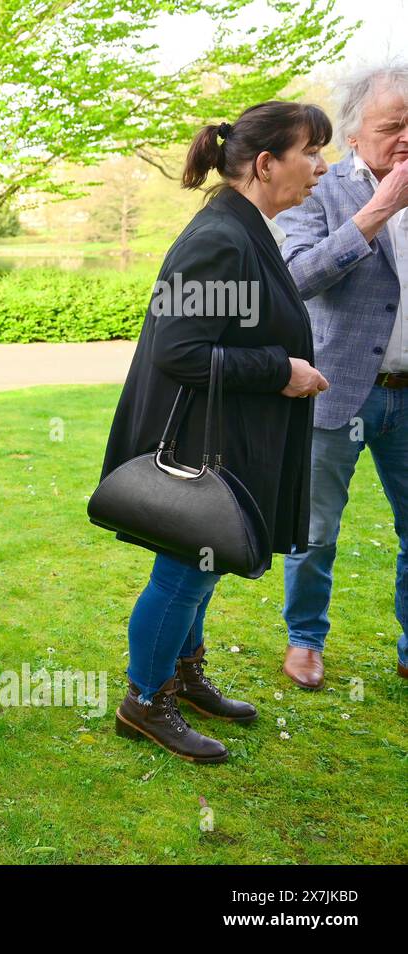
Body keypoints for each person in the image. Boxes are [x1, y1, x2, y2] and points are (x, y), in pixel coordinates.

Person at [99, 102, 332, 762]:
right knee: (182, 574)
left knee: (205, 563)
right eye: (310, 152)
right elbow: (180, 351)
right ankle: (145, 701)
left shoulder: (244, 228)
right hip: (202, 444)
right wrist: (280, 370)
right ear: (265, 164)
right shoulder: (219, 239)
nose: (320, 167)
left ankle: (184, 674)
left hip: (224, 438)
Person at [278, 64, 408, 688]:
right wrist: (378, 211)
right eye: (394, 125)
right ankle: (305, 639)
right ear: (355, 134)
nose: (407, 136)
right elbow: (295, 277)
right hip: (336, 390)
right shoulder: (321, 189)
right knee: (316, 528)